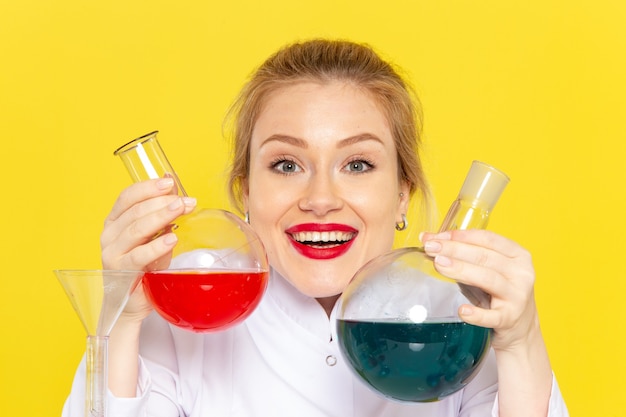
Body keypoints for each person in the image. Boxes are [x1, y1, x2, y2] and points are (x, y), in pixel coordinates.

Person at [63, 39, 569, 416]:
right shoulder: (184, 304)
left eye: (357, 164)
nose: (321, 200)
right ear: (244, 193)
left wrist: (522, 342)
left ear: (402, 195)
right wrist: (121, 319)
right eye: (286, 164)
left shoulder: (460, 319)